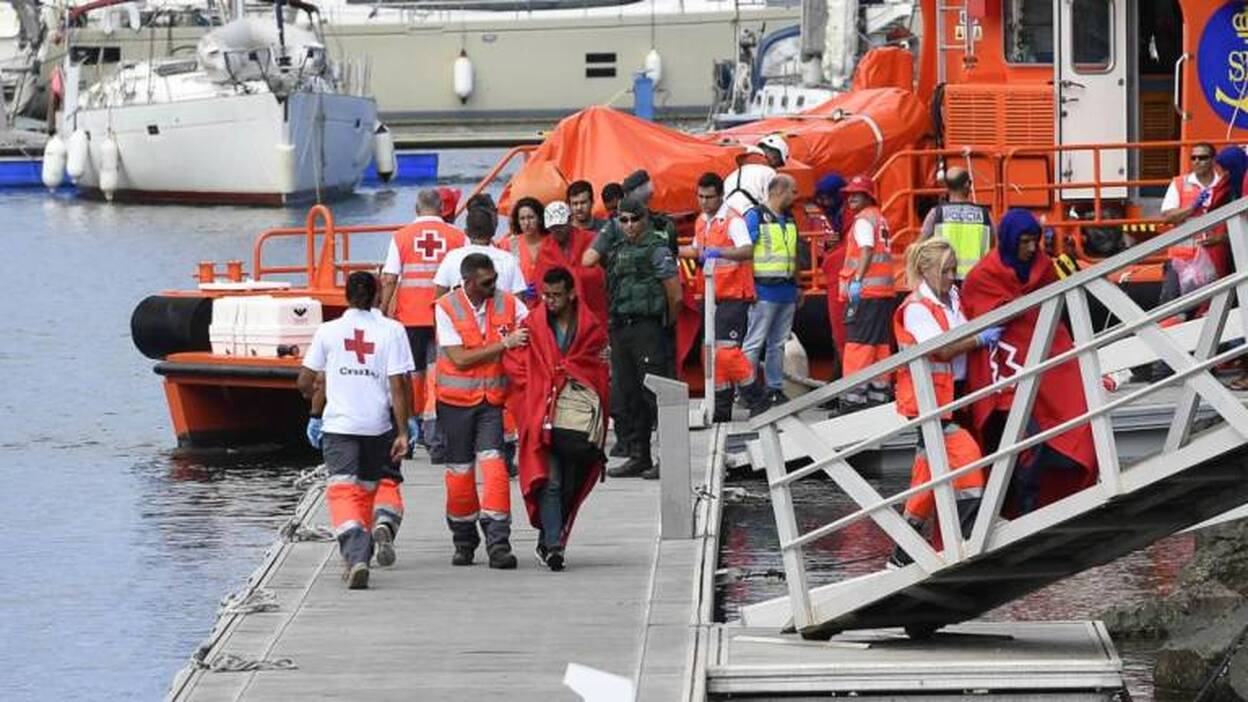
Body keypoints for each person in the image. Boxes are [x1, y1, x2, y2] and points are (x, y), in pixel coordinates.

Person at [962, 209, 1097, 514]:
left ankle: (1038, 508)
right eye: (1025, 242)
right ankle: (1020, 513)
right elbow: (978, 317)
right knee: (1021, 445)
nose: (1032, 248)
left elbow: (1049, 318)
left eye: (1035, 241)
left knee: (1076, 421)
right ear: (1010, 241)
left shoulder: (1043, 268)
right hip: (1001, 378)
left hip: (1038, 365)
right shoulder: (983, 276)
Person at [298, 272, 413, 589]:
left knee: (341, 490)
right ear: (378, 295)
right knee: (365, 489)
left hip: (339, 425)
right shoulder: (392, 331)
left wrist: (316, 406)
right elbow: (399, 385)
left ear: (346, 296)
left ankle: (357, 554)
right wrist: (403, 430)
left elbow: (306, 381)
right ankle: (357, 557)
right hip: (377, 426)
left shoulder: (329, 331)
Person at [887, 239, 994, 567]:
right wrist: (980, 338)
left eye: (954, 270)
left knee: (926, 481)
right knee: (969, 462)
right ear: (925, 271)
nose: (952, 277)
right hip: (931, 403)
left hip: (951, 396)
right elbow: (942, 349)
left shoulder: (953, 299)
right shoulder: (917, 308)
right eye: (946, 271)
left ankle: (902, 557)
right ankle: (968, 542)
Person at [504, 267, 610, 571]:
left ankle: (551, 537)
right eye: (545, 295)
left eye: (556, 295)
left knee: (571, 482)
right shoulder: (531, 325)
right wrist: (537, 389)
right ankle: (553, 546)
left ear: (571, 294)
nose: (549, 301)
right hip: (541, 412)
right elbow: (516, 365)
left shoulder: (590, 327)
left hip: (575, 415)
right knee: (549, 480)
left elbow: (597, 366)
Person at [432, 253, 530, 569]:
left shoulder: (510, 305)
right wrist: (506, 344)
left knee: (495, 466)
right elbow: (459, 359)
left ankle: (498, 542)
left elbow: (533, 330)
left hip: (493, 401)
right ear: (469, 282)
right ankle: (464, 541)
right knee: (460, 474)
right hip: (455, 403)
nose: (494, 286)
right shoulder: (446, 308)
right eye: (487, 282)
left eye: (495, 280)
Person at [587, 197, 681, 479]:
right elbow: (591, 262)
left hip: (649, 327)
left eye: (633, 219)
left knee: (655, 394)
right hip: (622, 327)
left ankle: (669, 459)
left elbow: (674, 294)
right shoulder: (618, 250)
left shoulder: (657, 250)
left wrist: (665, 325)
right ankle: (639, 455)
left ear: (645, 219)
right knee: (628, 394)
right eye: (623, 220)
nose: (628, 225)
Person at [380, 188, 467, 445]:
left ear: (416, 209)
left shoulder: (401, 237)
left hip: (410, 317)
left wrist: (384, 309)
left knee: (412, 372)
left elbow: (389, 278)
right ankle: (436, 425)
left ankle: (413, 422)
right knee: (438, 371)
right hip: (446, 316)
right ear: (442, 209)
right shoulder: (458, 237)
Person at [680, 172, 768, 420]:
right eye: (700, 197)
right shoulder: (702, 222)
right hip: (712, 295)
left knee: (726, 352)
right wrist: (673, 250)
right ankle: (721, 408)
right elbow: (697, 250)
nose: (704, 202)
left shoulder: (733, 221)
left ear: (720, 196)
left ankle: (756, 399)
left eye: (709, 197)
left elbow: (747, 249)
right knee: (711, 353)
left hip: (733, 294)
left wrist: (719, 252)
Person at [740, 173, 801, 408]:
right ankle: (748, 390)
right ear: (778, 191)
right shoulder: (755, 217)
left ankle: (774, 388)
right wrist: (749, 287)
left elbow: (793, 254)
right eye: (792, 191)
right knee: (754, 343)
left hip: (785, 291)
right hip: (763, 290)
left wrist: (798, 286)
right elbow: (746, 253)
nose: (795, 196)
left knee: (777, 344)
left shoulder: (789, 219)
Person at [838, 174, 896, 410]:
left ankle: (852, 402)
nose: (851, 198)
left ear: (868, 196)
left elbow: (866, 250)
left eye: (856, 194)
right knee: (879, 346)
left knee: (858, 345)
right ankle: (878, 396)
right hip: (883, 293)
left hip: (867, 294)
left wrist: (857, 280)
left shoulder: (863, 221)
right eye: (849, 194)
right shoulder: (879, 219)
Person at [534, 199, 608, 321]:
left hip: (594, 311)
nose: (557, 230)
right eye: (553, 227)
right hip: (561, 316)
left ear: (570, 220)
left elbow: (606, 271)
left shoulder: (591, 239)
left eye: (561, 225)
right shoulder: (544, 249)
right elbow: (540, 283)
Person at [918, 166, 994, 280]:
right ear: (967, 185)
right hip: (977, 280)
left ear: (947, 187)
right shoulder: (985, 215)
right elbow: (994, 244)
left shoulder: (936, 213)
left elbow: (921, 245)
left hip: (944, 280)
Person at [434, 207, 528, 299]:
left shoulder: (452, 258)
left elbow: (440, 298)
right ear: (493, 231)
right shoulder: (508, 260)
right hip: (499, 315)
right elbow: (519, 300)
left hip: (459, 314)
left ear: (466, 232)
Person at [815, 173, 851, 369]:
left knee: (844, 334)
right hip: (842, 278)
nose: (824, 202)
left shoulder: (850, 216)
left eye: (827, 198)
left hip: (844, 279)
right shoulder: (836, 214)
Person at [724, 133, 788, 216]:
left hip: (729, 218)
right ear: (775, 156)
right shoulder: (769, 172)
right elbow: (773, 206)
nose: (775, 167)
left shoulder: (732, 175)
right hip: (750, 219)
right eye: (777, 163)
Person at [501, 197, 547, 302]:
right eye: (522, 218)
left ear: (539, 219)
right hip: (520, 306)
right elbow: (501, 279)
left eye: (531, 217)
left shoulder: (551, 242)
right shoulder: (509, 244)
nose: (526, 223)